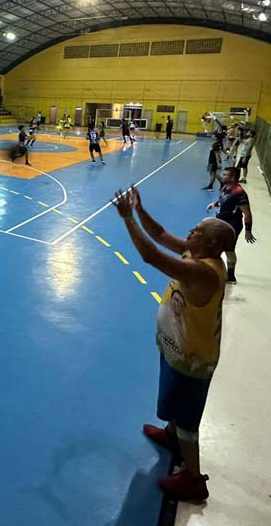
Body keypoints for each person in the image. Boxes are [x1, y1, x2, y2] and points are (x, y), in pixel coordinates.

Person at [112, 185, 236, 503]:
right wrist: (139, 209)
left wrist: (127, 219)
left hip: (193, 359)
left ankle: (194, 480)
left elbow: (150, 255)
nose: (191, 230)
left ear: (211, 244)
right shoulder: (195, 252)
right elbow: (161, 234)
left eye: (197, 230)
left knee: (189, 421)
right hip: (177, 349)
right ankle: (171, 434)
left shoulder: (202, 271)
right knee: (174, 403)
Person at [207, 167, 256, 284]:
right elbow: (224, 200)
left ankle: (231, 276)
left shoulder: (239, 193)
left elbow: (247, 213)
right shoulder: (226, 187)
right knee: (216, 247)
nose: (222, 176)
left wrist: (248, 231)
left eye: (225, 175)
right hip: (221, 223)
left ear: (232, 178)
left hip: (231, 226)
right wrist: (215, 204)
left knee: (229, 250)